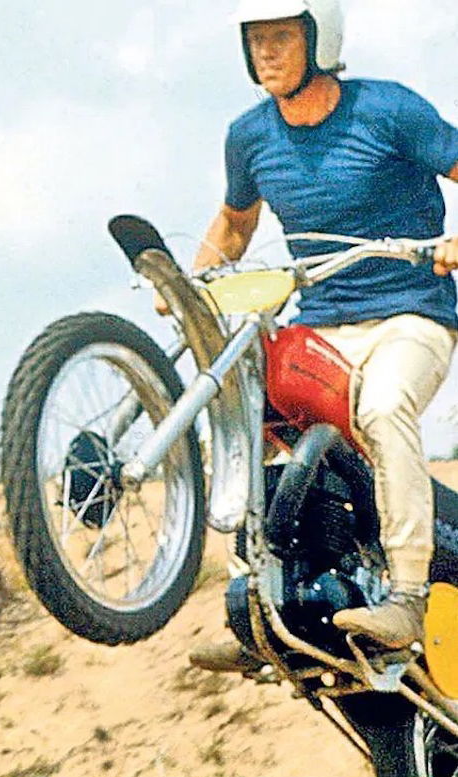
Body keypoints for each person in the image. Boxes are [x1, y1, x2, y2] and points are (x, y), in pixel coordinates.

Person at [188, 0, 458, 669]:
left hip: (409, 313)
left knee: (384, 405)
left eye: (281, 37)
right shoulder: (249, 136)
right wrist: (197, 281)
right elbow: (233, 222)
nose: (266, 52)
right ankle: (259, 602)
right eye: (255, 40)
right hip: (321, 327)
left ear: (318, 40)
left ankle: (406, 596)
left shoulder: (389, 110)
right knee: (248, 416)